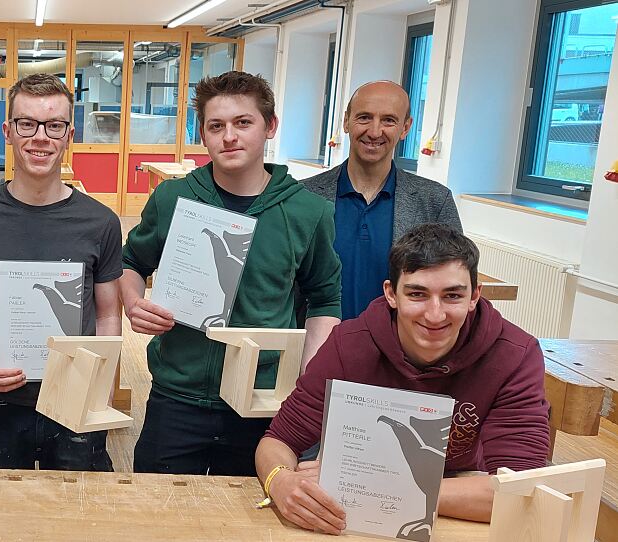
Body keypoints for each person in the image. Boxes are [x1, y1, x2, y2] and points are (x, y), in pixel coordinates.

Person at [255, 223, 550, 533]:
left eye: (452, 295)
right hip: (358, 512)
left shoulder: (515, 354)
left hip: (457, 509)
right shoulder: (349, 344)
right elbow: (278, 441)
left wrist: (372, 486)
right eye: (417, 294)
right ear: (391, 294)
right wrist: (280, 481)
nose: (435, 315)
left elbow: (521, 488)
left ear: (474, 296)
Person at [120, 71, 342, 476]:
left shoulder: (308, 211)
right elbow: (131, 262)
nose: (229, 137)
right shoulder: (174, 197)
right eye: (216, 126)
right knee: (157, 512)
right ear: (202, 133)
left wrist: (306, 372)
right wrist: (134, 302)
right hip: (177, 393)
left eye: (244, 123)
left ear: (269, 126)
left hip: (259, 400)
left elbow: (325, 296)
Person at [0, 73, 123, 470]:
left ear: (69, 134)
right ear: (8, 131)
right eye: (27, 124)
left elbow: (108, 313)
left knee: (76, 515)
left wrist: (102, 380)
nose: (40, 137)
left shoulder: (100, 222)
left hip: (74, 396)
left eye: (54, 125)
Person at [302, 81, 461, 319]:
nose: (375, 132)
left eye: (388, 120)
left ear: (405, 127)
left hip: (399, 351)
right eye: (364, 117)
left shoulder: (435, 202)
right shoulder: (304, 196)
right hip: (316, 347)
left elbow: (454, 287)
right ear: (346, 121)